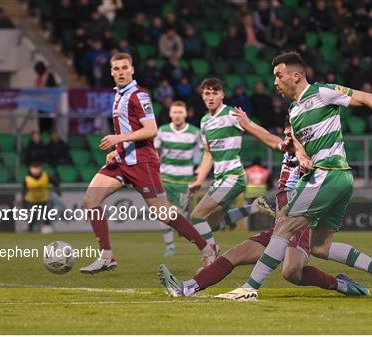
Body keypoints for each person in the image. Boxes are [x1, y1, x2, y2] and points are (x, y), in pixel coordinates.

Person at [219, 52, 372, 301]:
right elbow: (297, 141)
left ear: (296, 76)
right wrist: (303, 157)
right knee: (319, 247)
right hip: (339, 178)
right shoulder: (294, 111)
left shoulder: (322, 92)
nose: (275, 82)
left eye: (278, 76)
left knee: (283, 226)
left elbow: (366, 97)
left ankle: (249, 288)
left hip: (329, 172)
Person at [158, 125, 369, 298]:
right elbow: (270, 139)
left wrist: (247, 124)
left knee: (292, 272)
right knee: (236, 254)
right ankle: (185, 288)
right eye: (285, 133)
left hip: (297, 226)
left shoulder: (309, 157)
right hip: (280, 227)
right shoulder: (289, 154)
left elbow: (315, 187)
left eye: (291, 134)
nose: (286, 137)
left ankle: (341, 284)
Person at [79, 53, 216, 274]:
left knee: (164, 214)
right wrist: (118, 150)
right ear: (111, 72)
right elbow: (130, 128)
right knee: (91, 199)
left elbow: (151, 129)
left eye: (125, 68)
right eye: (116, 69)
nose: (121, 72)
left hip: (142, 162)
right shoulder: (119, 95)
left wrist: (118, 140)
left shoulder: (138, 95)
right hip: (123, 160)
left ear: (132, 70)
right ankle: (106, 256)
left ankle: (207, 249)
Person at [187, 78, 273, 254]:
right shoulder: (204, 121)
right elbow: (208, 153)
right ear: (202, 96)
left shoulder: (231, 115)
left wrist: (276, 142)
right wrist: (199, 180)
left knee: (196, 216)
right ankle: (254, 207)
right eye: (207, 93)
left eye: (214, 93)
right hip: (222, 177)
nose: (210, 97)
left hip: (233, 176)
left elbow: (255, 129)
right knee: (212, 225)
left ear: (222, 95)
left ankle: (210, 255)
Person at [154, 101, 201, 256]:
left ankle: (185, 222)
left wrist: (199, 170)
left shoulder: (194, 132)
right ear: (170, 114)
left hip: (184, 182)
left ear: (186, 114)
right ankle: (170, 246)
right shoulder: (163, 131)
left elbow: (202, 153)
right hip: (165, 180)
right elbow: (155, 153)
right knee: (163, 215)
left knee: (176, 216)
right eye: (174, 112)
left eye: (180, 112)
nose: (177, 115)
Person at [22, 162, 60, 233]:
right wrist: (23, 201)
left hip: (44, 199)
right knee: (32, 216)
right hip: (31, 200)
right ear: (30, 169)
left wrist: (57, 189)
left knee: (46, 215)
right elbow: (24, 191)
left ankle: (48, 229)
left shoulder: (46, 176)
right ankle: (30, 230)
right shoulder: (27, 179)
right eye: (34, 168)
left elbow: (55, 182)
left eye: (37, 168)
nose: (35, 170)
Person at [34, 61, 58, 133]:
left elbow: (52, 89)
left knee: (49, 125)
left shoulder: (50, 76)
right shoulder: (39, 78)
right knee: (41, 125)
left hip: (48, 105)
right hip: (40, 105)